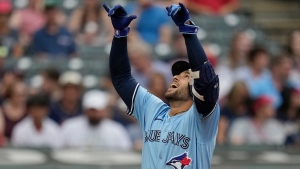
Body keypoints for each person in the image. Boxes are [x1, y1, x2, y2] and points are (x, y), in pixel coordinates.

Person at [103, 2, 220, 168]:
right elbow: (121, 79)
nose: (176, 77)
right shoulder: (153, 110)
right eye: (176, 75)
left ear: (195, 87)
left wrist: (188, 31)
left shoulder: (201, 119)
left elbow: (207, 81)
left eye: (186, 75)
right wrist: (120, 35)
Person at [60, 90, 132, 150]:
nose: (94, 114)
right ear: (85, 110)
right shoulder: (69, 127)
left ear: (104, 110)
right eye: (91, 110)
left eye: (98, 110)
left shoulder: (116, 130)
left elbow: (126, 151)